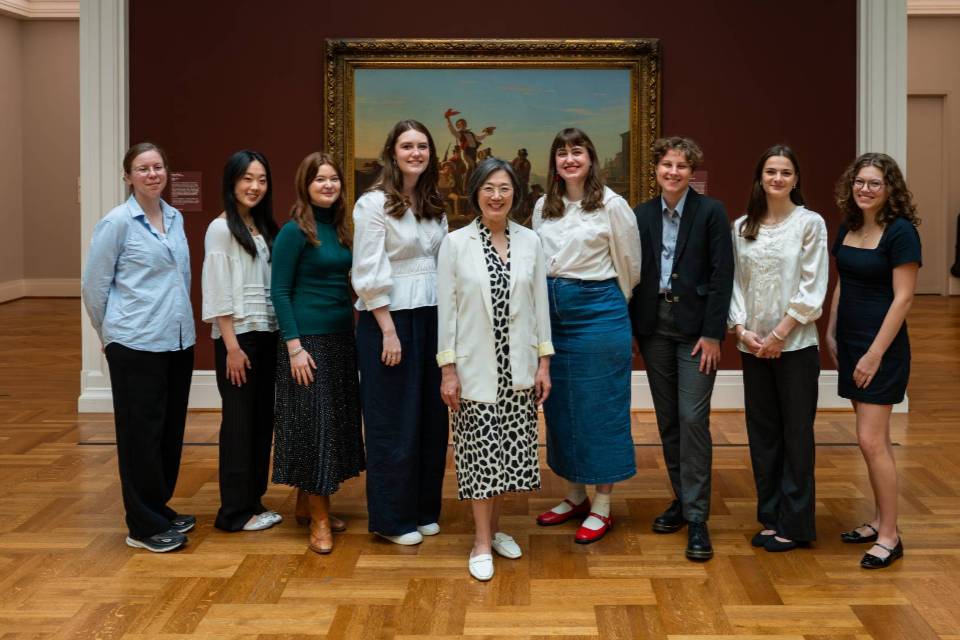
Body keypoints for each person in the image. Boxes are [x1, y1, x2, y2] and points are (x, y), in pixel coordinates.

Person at [437, 158, 553, 581]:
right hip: (475, 370)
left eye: (504, 188)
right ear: (475, 193)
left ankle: (497, 529)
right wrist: (448, 370)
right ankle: (481, 542)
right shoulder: (454, 244)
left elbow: (541, 305)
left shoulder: (531, 242)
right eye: (488, 187)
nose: (496, 195)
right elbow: (446, 315)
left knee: (507, 459)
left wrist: (544, 363)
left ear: (515, 194)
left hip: (518, 368)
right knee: (480, 459)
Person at [81, 142, 195, 553]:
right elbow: (93, 287)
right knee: (140, 434)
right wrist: (107, 332)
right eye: (143, 169)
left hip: (177, 340)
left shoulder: (175, 217)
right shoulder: (116, 223)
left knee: (168, 430)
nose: (153, 174)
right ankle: (142, 526)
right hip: (135, 342)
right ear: (128, 176)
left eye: (158, 167)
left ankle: (158, 507)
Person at [532, 128, 642, 544]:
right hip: (553, 315)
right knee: (561, 408)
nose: (569, 159)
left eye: (577, 152)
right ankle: (575, 495)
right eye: (561, 153)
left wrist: (613, 307)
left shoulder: (612, 206)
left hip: (599, 313)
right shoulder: (545, 205)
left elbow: (630, 265)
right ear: (554, 163)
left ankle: (602, 505)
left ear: (590, 158)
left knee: (601, 409)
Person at [630, 136, 734, 562]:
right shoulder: (641, 215)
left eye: (682, 166)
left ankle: (698, 519)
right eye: (667, 165)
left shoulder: (711, 213)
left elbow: (722, 273)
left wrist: (713, 334)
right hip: (654, 328)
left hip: (696, 333)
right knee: (669, 421)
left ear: (693, 172)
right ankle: (682, 500)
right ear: (656, 169)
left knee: (693, 420)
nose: (673, 172)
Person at [352, 120, 449, 545]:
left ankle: (423, 507)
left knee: (430, 419)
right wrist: (389, 331)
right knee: (393, 421)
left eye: (422, 146)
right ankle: (392, 518)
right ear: (392, 152)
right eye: (407, 146)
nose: (415, 153)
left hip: (432, 317)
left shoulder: (433, 202)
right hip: (389, 321)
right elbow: (368, 271)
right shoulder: (373, 204)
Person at [728, 145, 828, 552]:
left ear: (796, 179)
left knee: (797, 433)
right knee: (763, 433)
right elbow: (735, 284)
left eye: (786, 172)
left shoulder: (810, 224)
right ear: (760, 177)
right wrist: (741, 331)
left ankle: (797, 523)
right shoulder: (742, 227)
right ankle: (770, 516)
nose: (778, 178)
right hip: (753, 347)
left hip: (796, 346)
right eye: (771, 171)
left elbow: (813, 285)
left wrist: (780, 334)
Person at [826, 152, 921, 569]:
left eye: (874, 183)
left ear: (890, 190)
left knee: (871, 440)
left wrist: (874, 353)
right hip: (849, 342)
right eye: (859, 182)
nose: (865, 189)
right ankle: (880, 519)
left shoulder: (900, 233)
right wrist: (830, 329)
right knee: (872, 442)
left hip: (880, 347)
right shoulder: (848, 226)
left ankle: (890, 535)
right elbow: (844, 281)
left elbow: (903, 298)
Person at [271, 152, 365, 554]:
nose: (328, 185)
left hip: (342, 338)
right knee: (316, 429)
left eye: (333, 179)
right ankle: (320, 521)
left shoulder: (343, 229)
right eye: (319, 179)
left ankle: (306, 505)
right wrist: (294, 347)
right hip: (308, 343)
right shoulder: (294, 231)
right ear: (305, 186)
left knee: (334, 426)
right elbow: (279, 291)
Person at [201, 150, 282, 533]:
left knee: (260, 422)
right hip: (240, 340)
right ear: (232, 182)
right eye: (247, 179)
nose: (255, 187)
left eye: (262, 179)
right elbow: (217, 292)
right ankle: (233, 513)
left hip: (266, 335)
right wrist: (232, 347)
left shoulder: (262, 228)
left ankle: (253, 502)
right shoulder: (221, 229)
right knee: (238, 425)